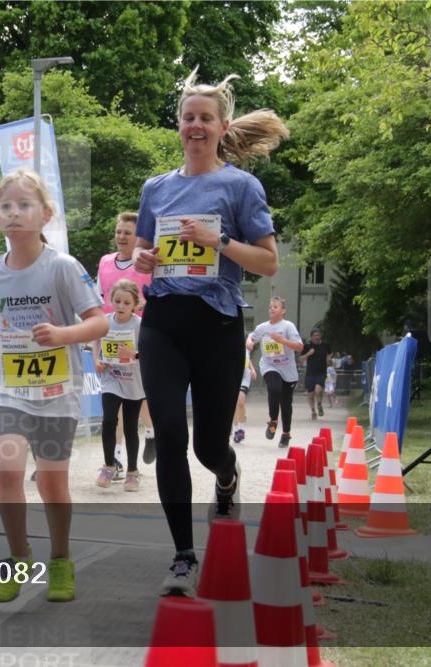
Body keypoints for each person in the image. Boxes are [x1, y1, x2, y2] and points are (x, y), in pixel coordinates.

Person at [132, 68, 284, 596]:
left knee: (208, 446)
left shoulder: (241, 186)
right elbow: (142, 256)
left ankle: (227, 474)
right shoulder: (157, 187)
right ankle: (182, 557)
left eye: (205, 119)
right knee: (170, 434)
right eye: (187, 118)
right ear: (178, 125)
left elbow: (267, 263)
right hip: (164, 323)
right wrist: (142, 257)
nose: (195, 126)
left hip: (217, 324)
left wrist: (218, 243)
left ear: (221, 127)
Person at [0, 168, 107, 604]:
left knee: (51, 484)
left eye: (24, 205)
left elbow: (99, 321)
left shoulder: (63, 267)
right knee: (6, 469)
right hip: (8, 385)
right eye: (5, 206)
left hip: (56, 389)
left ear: (45, 214)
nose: (14, 213)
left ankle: (61, 558)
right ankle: (17, 554)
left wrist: (63, 335)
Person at [97, 211, 157, 466]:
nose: (121, 237)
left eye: (127, 233)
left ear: (138, 237)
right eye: (118, 231)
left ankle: (152, 432)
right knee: (115, 402)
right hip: (111, 335)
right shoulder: (105, 262)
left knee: (137, 394)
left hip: (139, 334)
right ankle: (117, 457)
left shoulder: (146, 262)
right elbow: (100, 302)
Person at [93, 279, 144, 492]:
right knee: (108, 420)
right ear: (111, 301)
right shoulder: (105, 321)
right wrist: (97, 359)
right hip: (111, 377)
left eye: (126, 302)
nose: (121, 306)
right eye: (117, 301)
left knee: (131, 426)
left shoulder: (139, 325)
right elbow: (96, 340)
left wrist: (134, 354)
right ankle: (108, 466)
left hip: (134, 381)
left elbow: (151, 351)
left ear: (134, 304)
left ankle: (132, 472)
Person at [246, 297, 304, 447]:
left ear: (283, 311)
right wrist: (250, 342)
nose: (272, 309)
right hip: (269, 365)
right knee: (274, 388)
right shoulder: (263, 327)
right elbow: (252, 336)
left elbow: (299, 346)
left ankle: (286, 434)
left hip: (287, 368)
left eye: (276, 307)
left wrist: (282, 340)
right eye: (270, 306)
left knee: (286, 403)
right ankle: (273, 420)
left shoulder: (288, 327)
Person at [300, 328, 331, 419]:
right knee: (310, 394)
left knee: (318, 389)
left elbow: (330, 354)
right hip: (310, 373)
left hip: (321, 372)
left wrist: (328, 359)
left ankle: (319, 404)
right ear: (311, 337)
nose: (317, 337)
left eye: (318, 335)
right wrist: (308, 354)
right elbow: (301, 359)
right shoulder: (307, 346)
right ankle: (313, 411)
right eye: (315, 336)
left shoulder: (325, 345)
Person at [231, 347, 257, 444]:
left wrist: (252, 369)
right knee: (233, 406)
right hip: (231, 377)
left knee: (240, 402)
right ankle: (236, 429)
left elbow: (247, 358)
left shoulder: (245, 345)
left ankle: (241, 430)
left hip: (244, 378)